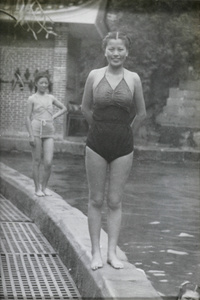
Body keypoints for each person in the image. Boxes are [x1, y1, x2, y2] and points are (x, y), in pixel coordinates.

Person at [81, 31, 146, 270]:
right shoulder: (94, 76)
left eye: (120, 49)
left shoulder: (134, 79)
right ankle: (96, 252)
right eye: (111, 48)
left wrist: (125, 132)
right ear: (104, 50)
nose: (116, 53)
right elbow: (85, 108)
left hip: (123, 144)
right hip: (96, 141)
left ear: (127, 52)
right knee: (96, 199)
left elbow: (141, 114)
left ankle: (112, 253)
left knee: (115, 200)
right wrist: (98, 129)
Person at [26, 71, 67, 197]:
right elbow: (27, 118)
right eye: (41, 83)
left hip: (49, 131)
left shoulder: (51, 98)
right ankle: (37, 188)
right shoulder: (32, 98)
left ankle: (44, 188)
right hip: (36, 129)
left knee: (48, 162)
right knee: (37, 161)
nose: (44, 85)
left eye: (46, 83)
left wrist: (53, 117)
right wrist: (31, 135)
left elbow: (64, 108)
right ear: (36, 84)